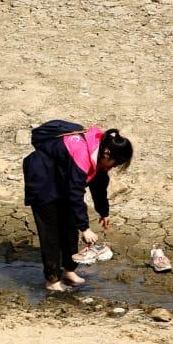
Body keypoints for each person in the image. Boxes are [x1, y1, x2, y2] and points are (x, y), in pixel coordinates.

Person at [21, 121, 134, 292]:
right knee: (51, 232)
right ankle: (52, 281)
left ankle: (69, 270)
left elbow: (99, 183)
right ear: (106, 153)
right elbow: (75, 193)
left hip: (60, 179)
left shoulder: (99, 150)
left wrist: (104, 212)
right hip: (42, 179)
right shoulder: (82, 152)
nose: (113, 167)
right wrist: (85, 228)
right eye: (115, 163)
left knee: (70, 226)